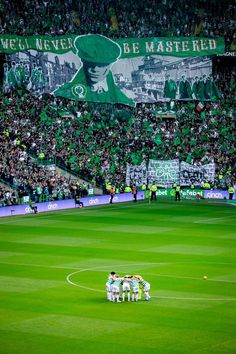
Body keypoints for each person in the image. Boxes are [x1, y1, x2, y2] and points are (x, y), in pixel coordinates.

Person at [53, 34, 135, 107]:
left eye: (101, 65)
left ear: (110, 65)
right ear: (83, 62)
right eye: (90, 64)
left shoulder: (118, 95)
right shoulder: (65, 92)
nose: (95, 69)